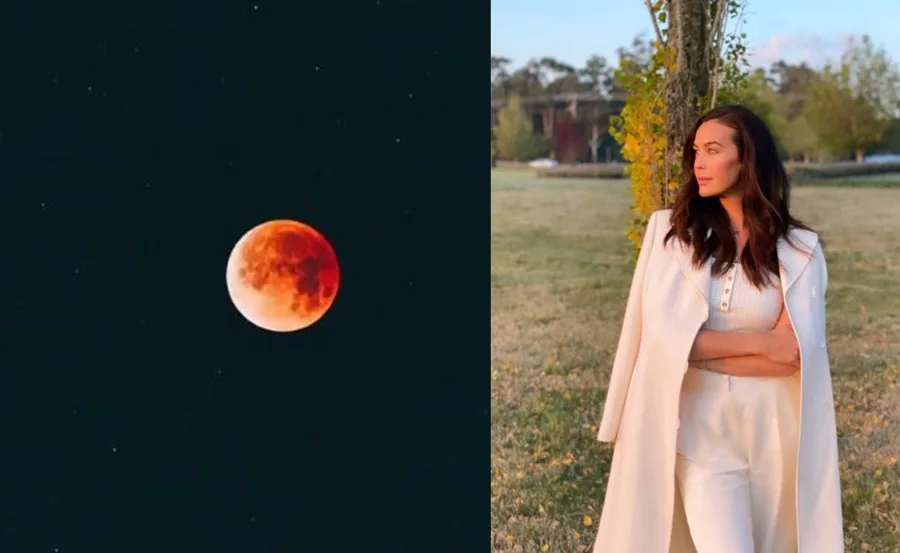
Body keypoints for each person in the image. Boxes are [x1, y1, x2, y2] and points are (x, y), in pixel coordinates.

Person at [591, 105, 844, 553]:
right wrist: (761, 343)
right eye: (695, 152)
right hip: (699, 430)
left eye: (712, 150)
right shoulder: (670, 236)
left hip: (774, 437)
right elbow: (661, 341)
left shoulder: (799, 251)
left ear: (746, 159)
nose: (698, 164)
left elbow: (792, 357)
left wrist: (691, 347)